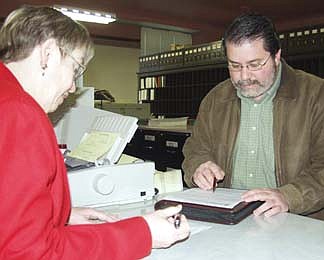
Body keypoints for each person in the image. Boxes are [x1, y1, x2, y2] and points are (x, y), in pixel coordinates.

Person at [0, 6, 190, 259]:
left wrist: (61, 217)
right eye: (76, 70)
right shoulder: (20, 113)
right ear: (47, 54)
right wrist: (143, 232)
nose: (72, 87)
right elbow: (28, 252)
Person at [182, 13, 324, 220]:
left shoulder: (316, 95)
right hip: (231, 219)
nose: (244, 76)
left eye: (255, 64)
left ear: (276, 56)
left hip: (296, 219)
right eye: (235, 66)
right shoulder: (216, 99)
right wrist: (199, 167)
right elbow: (195, 149)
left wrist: (289, 196)